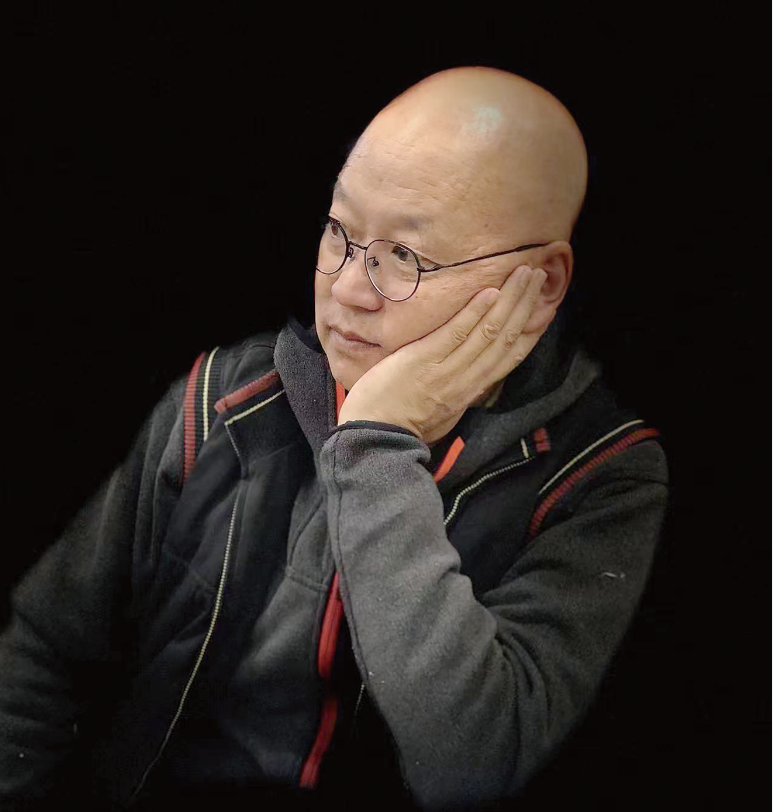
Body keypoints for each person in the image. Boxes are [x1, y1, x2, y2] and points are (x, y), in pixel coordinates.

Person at [0, 66, 669, 811]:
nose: (347, 289)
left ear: (540, 285)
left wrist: (377, 445)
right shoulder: (225, 396)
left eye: (404, 258)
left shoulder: (599, 479)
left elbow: (473, 765)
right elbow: (43, 652)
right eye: (340, 234)